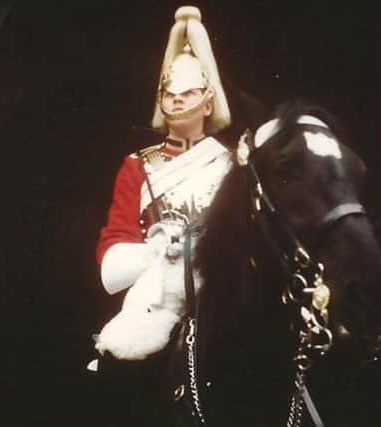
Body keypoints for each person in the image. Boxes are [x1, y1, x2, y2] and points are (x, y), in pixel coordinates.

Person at [90, 5, 232, 424]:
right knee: (120, 369)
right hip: (156, 298)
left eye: (187, 94)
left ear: (207, 103)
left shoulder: (230, 164)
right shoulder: (138, 165)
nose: (176, 100)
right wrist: (155, 252)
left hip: (217, 293)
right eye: (169, 94)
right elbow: (115, 241)